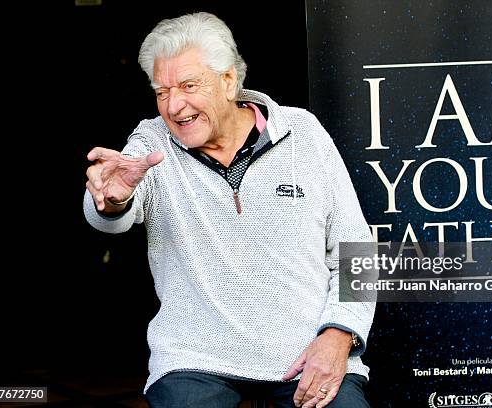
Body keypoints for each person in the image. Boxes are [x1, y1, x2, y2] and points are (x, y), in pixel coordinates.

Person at [83, 12, 375, 408]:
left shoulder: (303, 133)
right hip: (195, 360)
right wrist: (113, 198)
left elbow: (357, 252)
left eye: (188, 85)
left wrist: (339, 335)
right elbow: (109, 210)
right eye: (162, 91)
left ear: (229, 81)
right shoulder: (153, 142)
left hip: (308, 352)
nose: (174, 105)